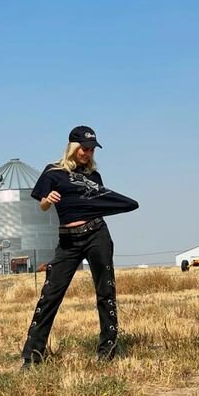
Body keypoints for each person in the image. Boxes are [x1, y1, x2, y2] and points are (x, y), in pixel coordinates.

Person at [21, 126, 139, 367]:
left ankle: (107, 351)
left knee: (106, 293)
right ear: (73, 147)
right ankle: (32, 357)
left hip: (97, 235)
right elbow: (42, 205)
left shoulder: (94, 177)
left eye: (92, 149)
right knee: (50, 295)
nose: (88, 153)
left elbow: (100, 202)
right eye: (84, 148)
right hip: (68, 240)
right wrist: (48, 199)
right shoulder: (53, 172)